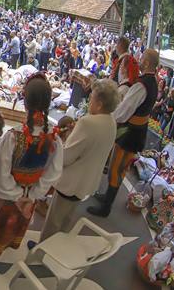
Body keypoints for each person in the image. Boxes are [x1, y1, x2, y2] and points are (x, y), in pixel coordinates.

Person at [0, 73, 63, 261]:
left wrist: (15, 195)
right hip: (30, 196)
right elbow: (53, 173)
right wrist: (31, 195)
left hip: (6, 196)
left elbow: (1, 170)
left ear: (25, 102)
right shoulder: (55, 139)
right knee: (13, 225)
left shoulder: (13, 137)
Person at [38, 79, 119, 242]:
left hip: (71, 181)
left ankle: (41, 252)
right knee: (66, 220)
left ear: (100, 103)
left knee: (54, 221)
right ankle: (56, 247)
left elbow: (67, 156)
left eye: (92, 98)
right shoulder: (111, 122)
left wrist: (60, 142)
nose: (89, 102)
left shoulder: (88, 122)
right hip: (87, 182)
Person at [88, 49, 160, 217]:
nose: (140, 60)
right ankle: (107, 198)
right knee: (120, 168)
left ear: (147, 62)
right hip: (138, 132)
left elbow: (124, 111)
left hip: (129, 133)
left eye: (142, 58)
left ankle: (106, 207)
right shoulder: (153, 82)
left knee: (116, 168)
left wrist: (107, 118)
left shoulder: (141, 85)